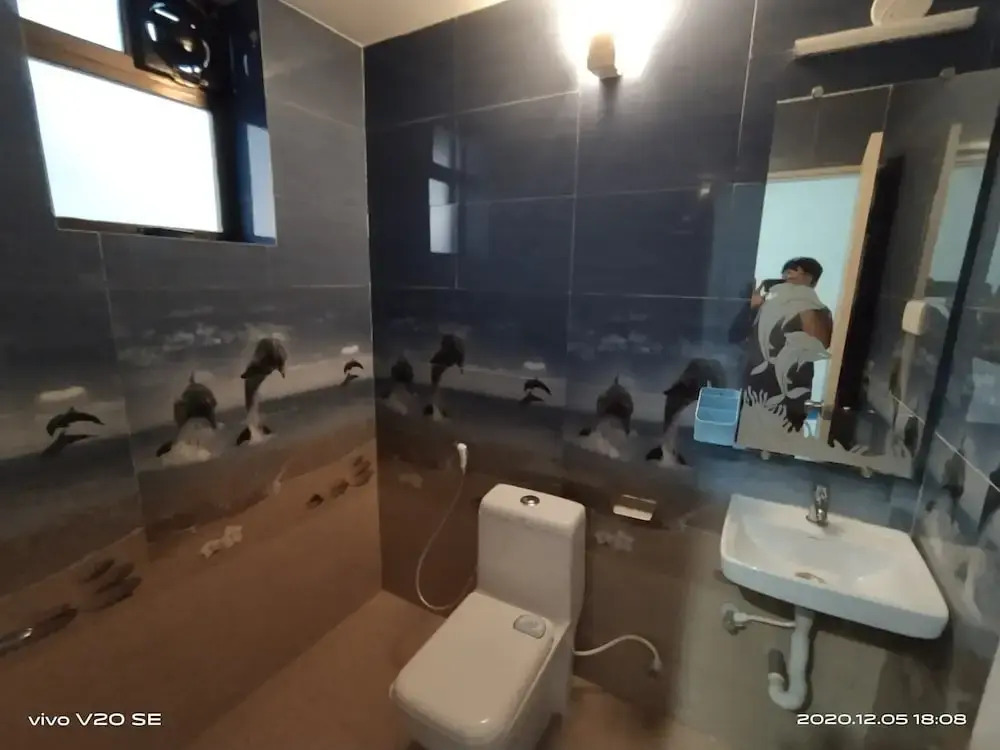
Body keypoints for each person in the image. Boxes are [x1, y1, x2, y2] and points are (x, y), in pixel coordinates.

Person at [729, 257, 833, 431]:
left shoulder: (818, 311)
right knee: (749, 436)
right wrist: (751, 307)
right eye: (786, 273)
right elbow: (734, 336)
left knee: (782, 437)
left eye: (798, 272)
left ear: (811, 280)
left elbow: (820, 343)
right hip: (754, 389)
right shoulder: (765, 307)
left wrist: (803, 302)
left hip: (790, 393)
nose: (789, 276)